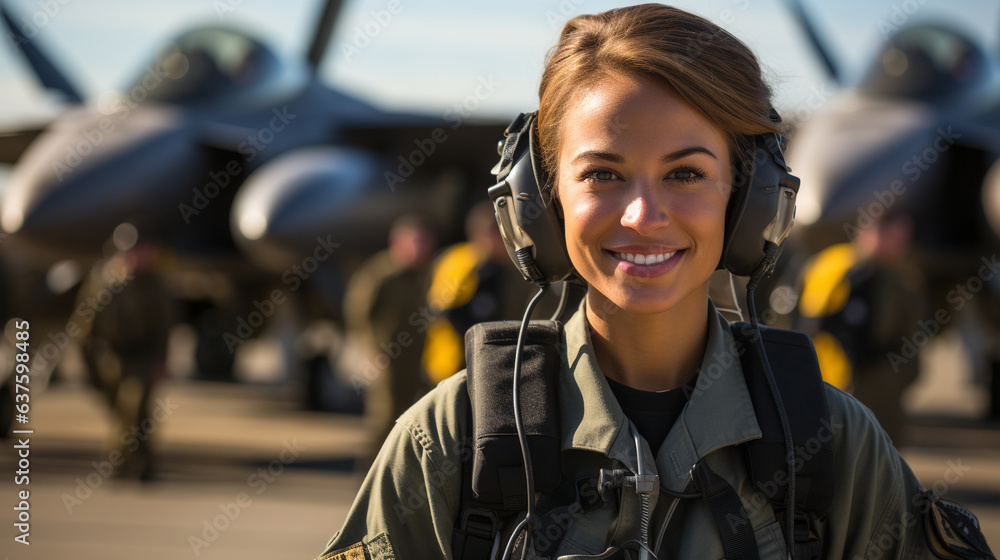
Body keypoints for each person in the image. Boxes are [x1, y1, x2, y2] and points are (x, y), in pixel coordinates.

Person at [315, 5, 995, 559]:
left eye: (686, 173)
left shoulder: (833, 447)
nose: (643, 216)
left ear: (751, 200)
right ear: (540, 203)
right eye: (603, 174)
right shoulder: (450, 442)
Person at [794, 211, 925, 445]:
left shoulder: (904, 277)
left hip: (884, 389)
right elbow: (810, 328)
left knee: (883, 455)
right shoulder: (834, 268)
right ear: (868, 233)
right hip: (837, 384)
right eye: (892, 235)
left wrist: (905, 377)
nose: (900, 243)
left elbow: (914, 335)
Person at [343, 214, 437, 469]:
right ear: (397, 242)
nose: (421, 249)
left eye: (425, 243)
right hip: (386, 361)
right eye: (416, 242)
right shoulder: (381, 273)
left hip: (415, 359)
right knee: (383, 419)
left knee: (411, 418)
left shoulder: (424, 274)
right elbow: (358, 312)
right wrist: (372, 349)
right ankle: (369, 476)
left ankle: (398, 477)